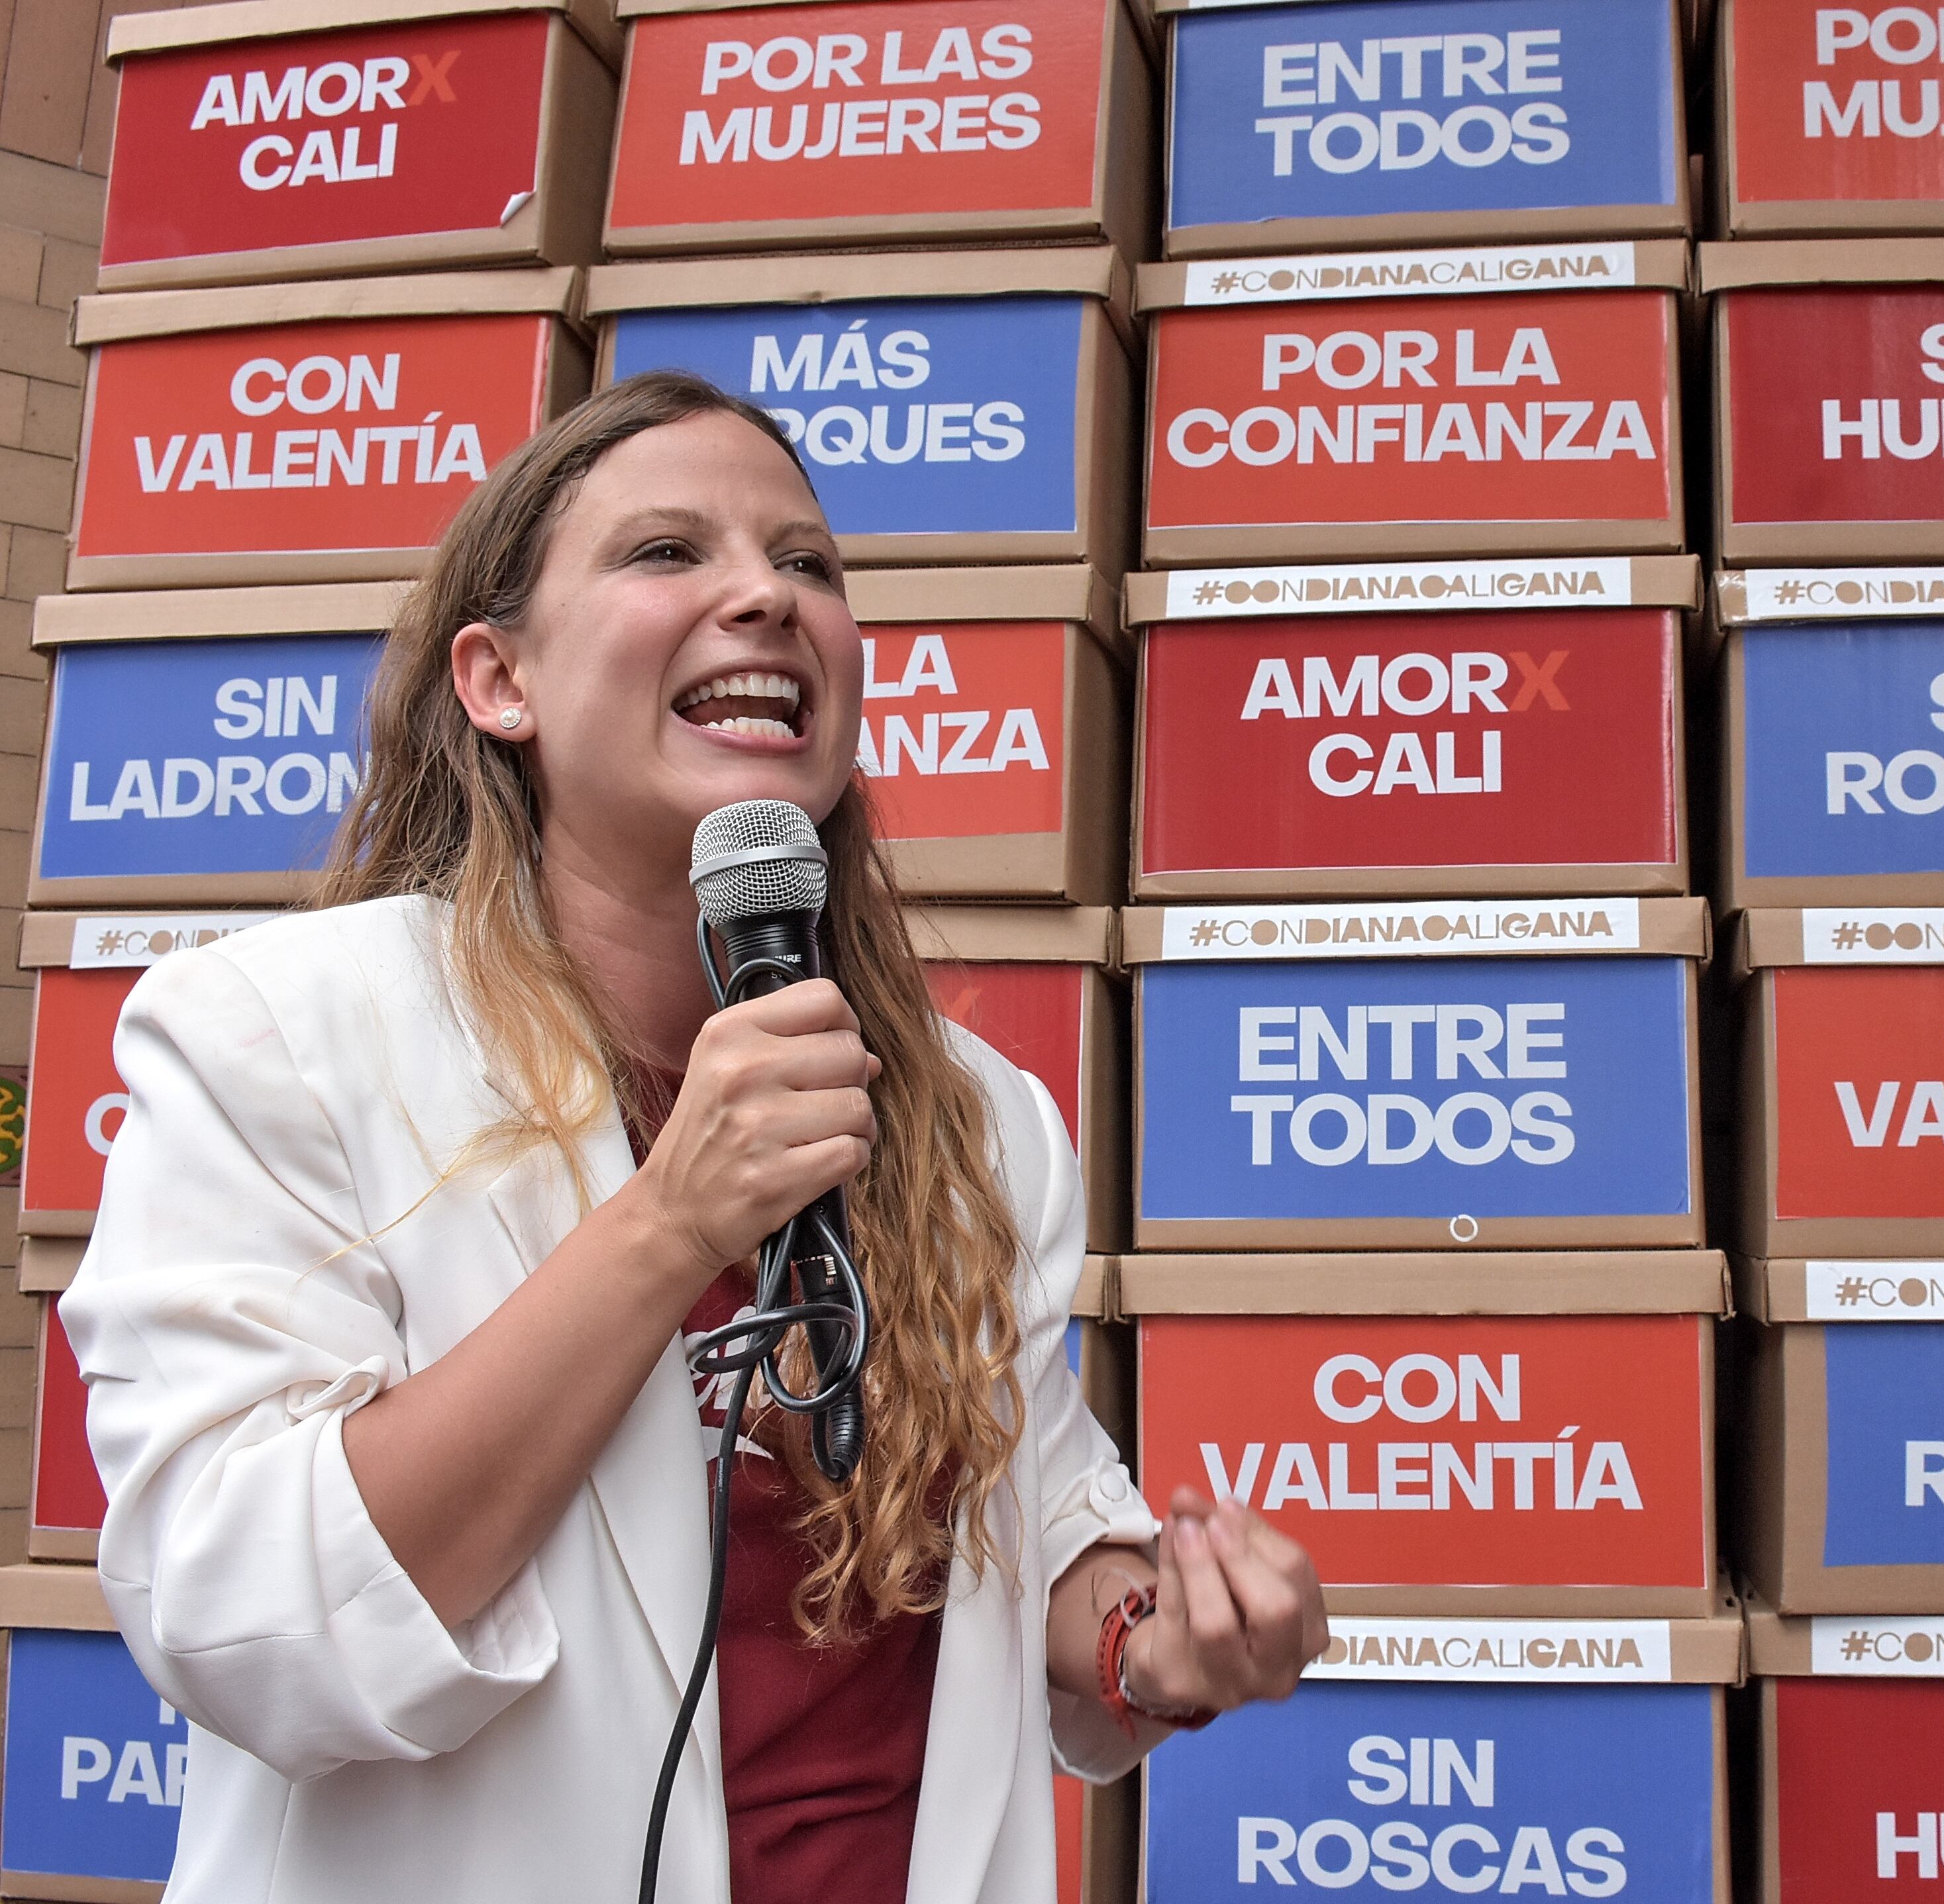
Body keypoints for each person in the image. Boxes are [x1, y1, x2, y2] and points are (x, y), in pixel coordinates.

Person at [61, 371, 1327, 1903]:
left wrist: (1157, 1636)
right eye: (669, 553)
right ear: (496, 680)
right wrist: (667, 1229)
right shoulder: (274, 1033)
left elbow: (1022, 1517)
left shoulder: (976, 1117)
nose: (766, 598)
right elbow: (237, 1610)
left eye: (808, 564)